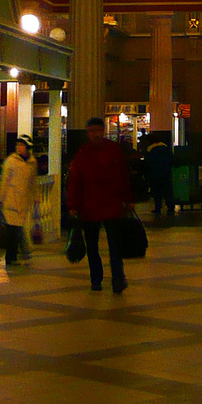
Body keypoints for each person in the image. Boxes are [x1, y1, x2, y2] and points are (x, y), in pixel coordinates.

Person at [65, 117, 133, 292]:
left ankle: (107, 279)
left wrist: (128, 199)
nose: (94, 134)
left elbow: (122, 177)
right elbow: (76, 181)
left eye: (96, 130)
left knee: (106, 246)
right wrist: (73, 204)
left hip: (100, 206)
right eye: (91, 131)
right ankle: (111, 279)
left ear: (102, 131)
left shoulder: (90, 152)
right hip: (98, 206)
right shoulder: (97, 152)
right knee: (101, 246)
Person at [0, 135, 36, 266]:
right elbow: (4, 180)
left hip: (23, 201)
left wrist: (35, 199)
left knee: (18, 229)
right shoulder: (11, 161)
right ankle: (11, 257)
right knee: (12, 230)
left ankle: (19, 254)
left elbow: (32, 182)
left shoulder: (32, 162)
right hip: (10, 200)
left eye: (22, 145)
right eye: (17, 145)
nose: (19, 147)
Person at [143, 135, 175, 219]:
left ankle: (158, 207)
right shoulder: (165, 147)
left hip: (155, 174)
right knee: (168, 191)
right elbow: (172, 159)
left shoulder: (150, 149)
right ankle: (170, 207)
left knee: (157, 192)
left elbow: (147, 163)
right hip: (166, 173)